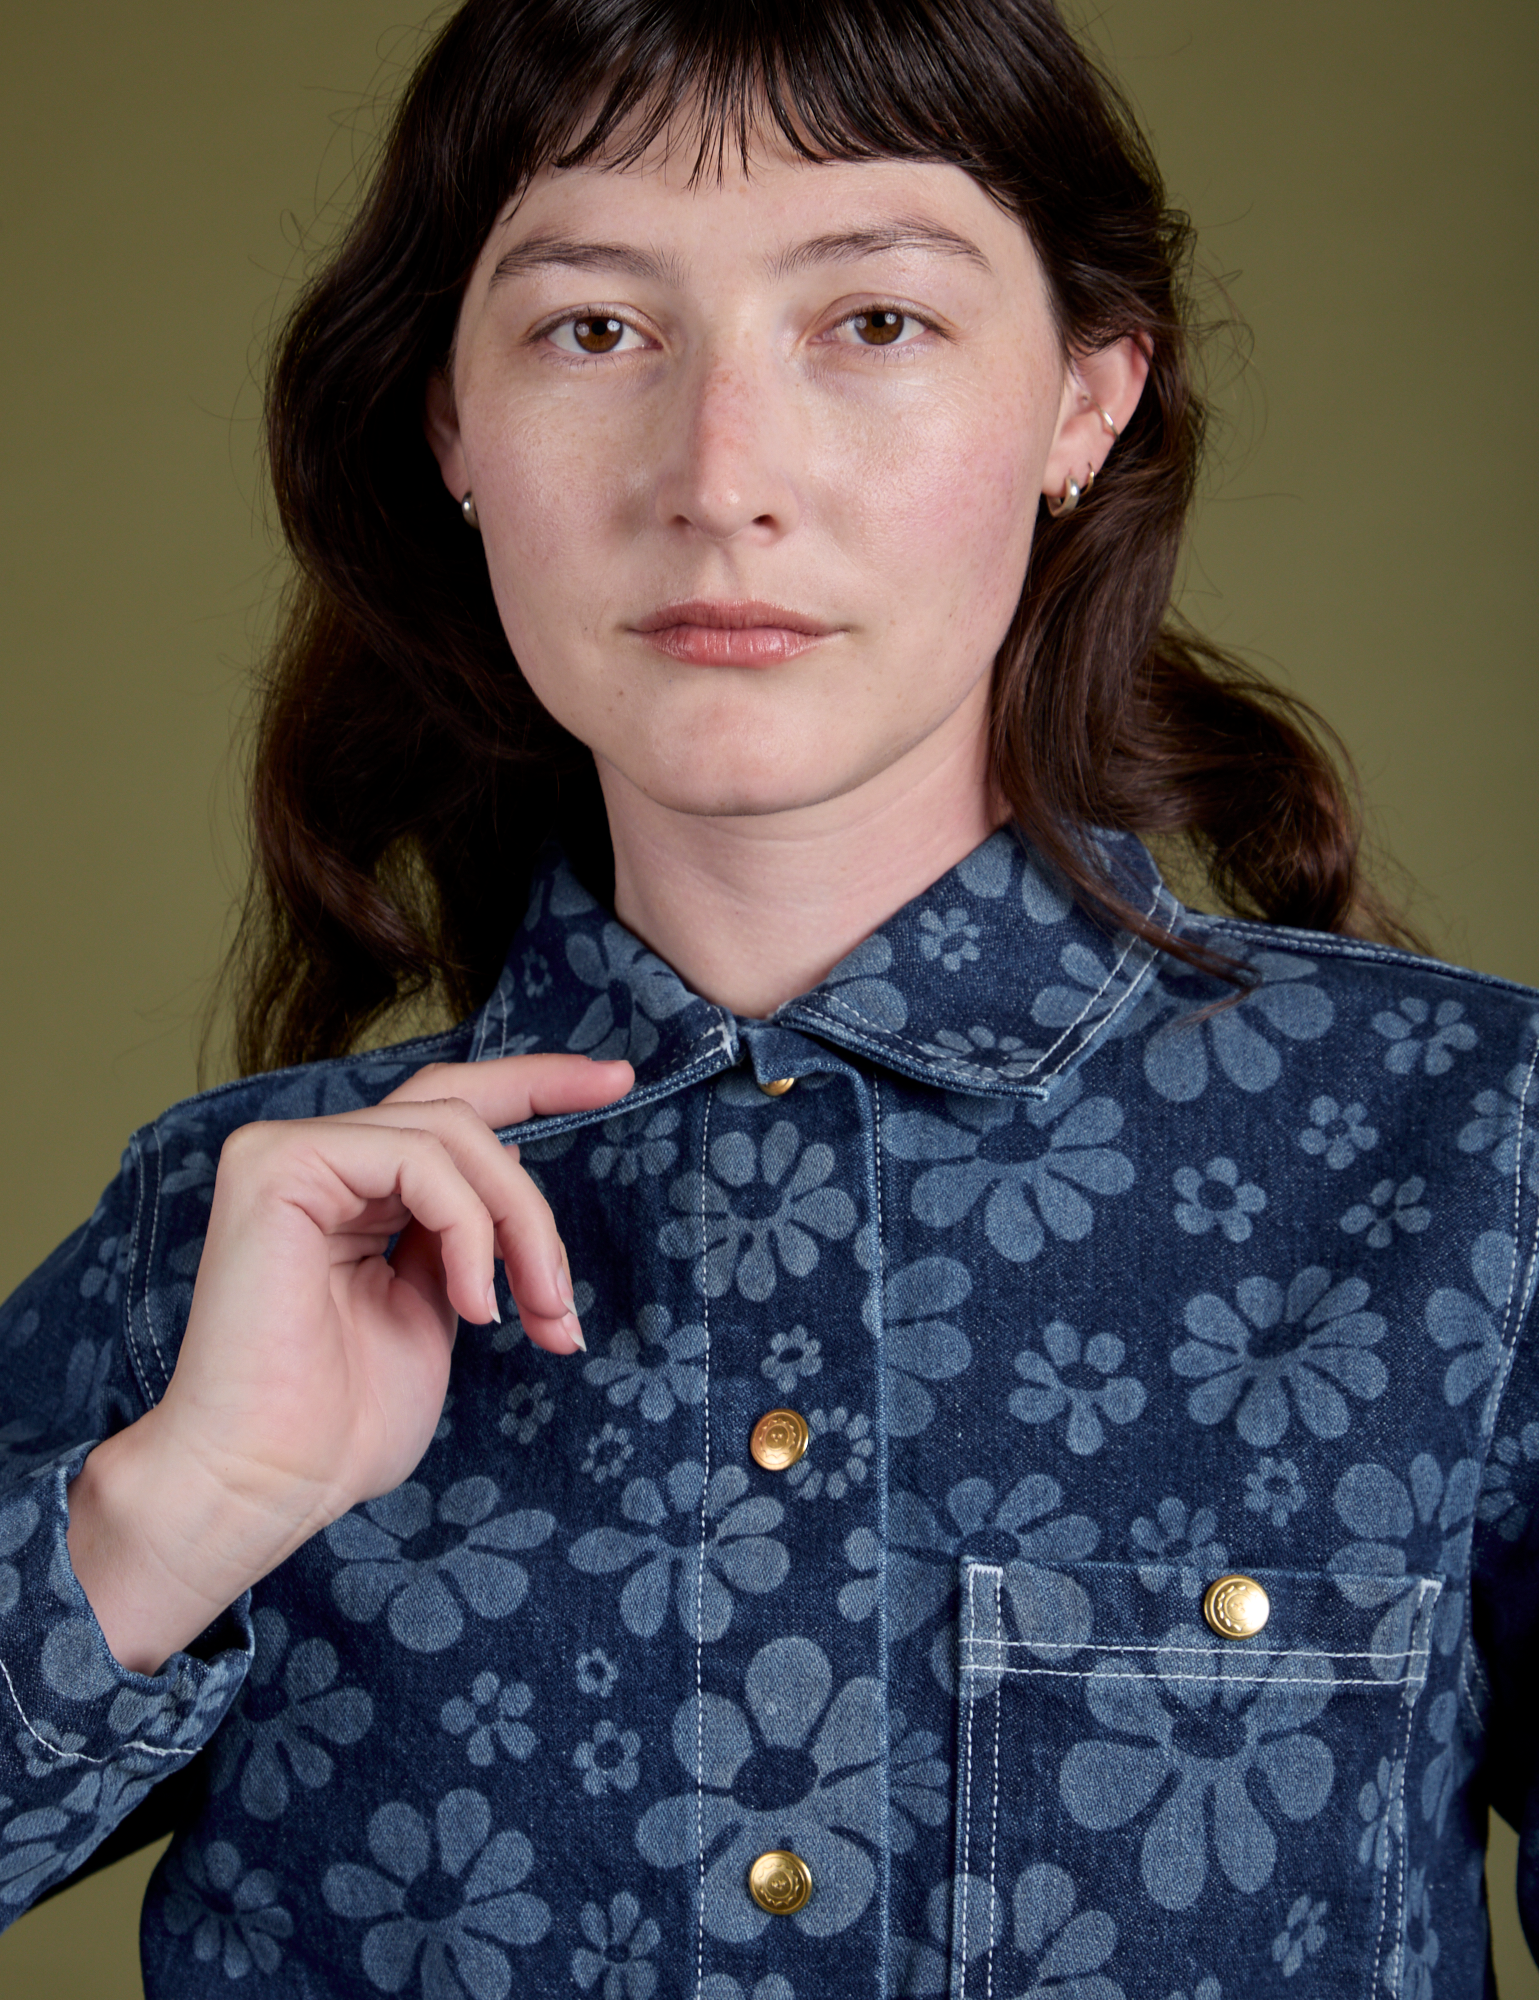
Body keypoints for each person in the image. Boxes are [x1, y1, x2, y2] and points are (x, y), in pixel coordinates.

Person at [0, 0, 1534, 1992]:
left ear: (1085, 400)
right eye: (593, 330)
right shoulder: (219, 1247)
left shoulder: (1480, 1158)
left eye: (872, 321)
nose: (720, 476)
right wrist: (168, 1518)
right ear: (453, 427)